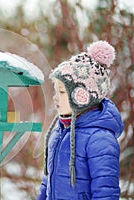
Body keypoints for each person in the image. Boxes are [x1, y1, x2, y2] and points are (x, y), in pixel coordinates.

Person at [37, 41, 124, 199]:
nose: (55, 97)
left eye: (62, 92)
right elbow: (47, 181)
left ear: (82, 97)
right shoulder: (58, 131)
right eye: (56, 90)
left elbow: (106, 193)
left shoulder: (100, 139)